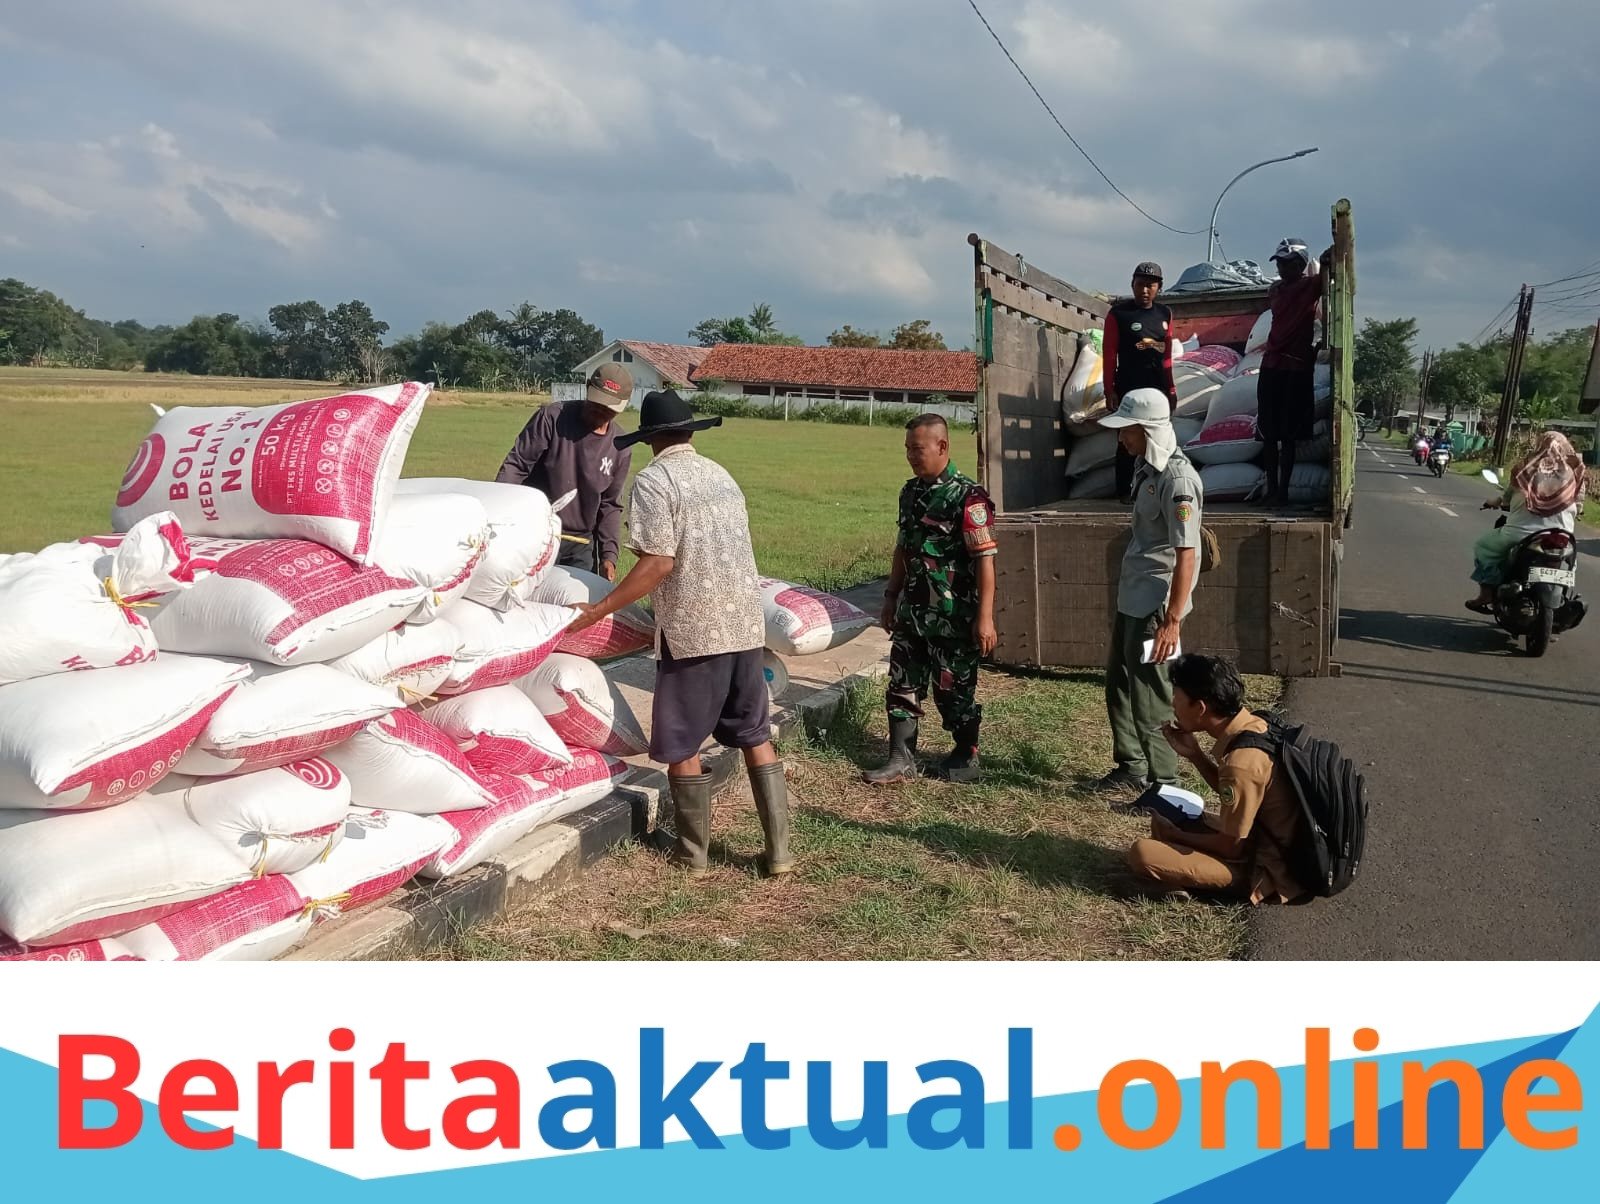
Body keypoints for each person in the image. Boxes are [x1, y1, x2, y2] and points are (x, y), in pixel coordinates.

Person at [564, 389, 792, 877]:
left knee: (682, 743)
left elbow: (659, 563)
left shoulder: (655, 480)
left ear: (650, 438)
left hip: (694, 632)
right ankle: (779, 853)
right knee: (754, 732)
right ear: (689, 431)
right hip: (744, 624)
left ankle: (693, 856)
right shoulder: (720, 474)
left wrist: (600, 610)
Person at [865, 414, 998, 786]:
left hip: (953, 617)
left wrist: (985, 617)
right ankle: (900, 759)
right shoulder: (910, 493)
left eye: (917, 448)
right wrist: (890, 597)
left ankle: (966, 754)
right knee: (901, 683)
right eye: (907, 448)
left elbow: (985, 561)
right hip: (913, 612)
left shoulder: (969, 497)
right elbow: (903, 549)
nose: (911, 456)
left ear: (942, 446)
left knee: (953, 691)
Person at [1125, 654, 1308, 903]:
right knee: (1172, 823)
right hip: (1265, 841)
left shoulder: (1241, 763)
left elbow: (1231, 847)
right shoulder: (1256, 725)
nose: (1172, 704)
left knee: (1143, 853)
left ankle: (1186, 881)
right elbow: (1236, 794)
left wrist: (1175, 836)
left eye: (1177, 698)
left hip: (1265, 868)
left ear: (1200, 708)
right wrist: (1195, 755)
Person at [1094, 388, 1204, 796]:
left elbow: (1186, 553)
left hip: (1156, 608)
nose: (1121, 437)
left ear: (1149, 429)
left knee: (1152, 693)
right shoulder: (1146, 469)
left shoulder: (1178, 481)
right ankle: (1131, 766)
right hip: (1133, 598)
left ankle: (1165, 783)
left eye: (1128, 429)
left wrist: (1172, 621)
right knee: (1120, 685)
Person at [495, 364, 634, 579]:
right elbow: (517, 465)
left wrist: (609, 556)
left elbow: (610, 504)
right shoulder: (552, 418)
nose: (600, 411)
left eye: (609, 408)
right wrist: (497, 514)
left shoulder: (620, 447)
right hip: (537, 533)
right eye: (597, 403)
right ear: (587, 388)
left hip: (580, 545)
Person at [1466, 431, 1587, 613]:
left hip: (1521, 533)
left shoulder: (1524, 469)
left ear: (1539, 445)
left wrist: (1497, 501)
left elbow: (1507, 498)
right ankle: (1562, 598)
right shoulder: (1573, 474)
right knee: (1571, 564)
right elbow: (1578, 502)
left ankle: (1486, 593)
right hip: (1562, 536)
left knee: (1483, 547)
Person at [1103, 262, 1179, 503]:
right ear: (1132, 285)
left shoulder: (1164, 314)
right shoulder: (1118, 314)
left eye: (1150, 285)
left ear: (1159, 288)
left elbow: (1167, 357)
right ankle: (1125, 490)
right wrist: (1109, 389)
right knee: (1128, 436)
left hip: (1157, 386)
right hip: (1128, 385)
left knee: (1157, 436)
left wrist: (1171, 389)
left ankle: (1158, 486)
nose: (1145, 290)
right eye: (1140, 284)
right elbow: (1109, 354)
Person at [1257, 238, 1324, 506]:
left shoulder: (1311, 286)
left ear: (1301, 265)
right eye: (1280, 264)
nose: (1282, 269)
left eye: (1288, 264)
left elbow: (1329, 266)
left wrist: (1329, 257)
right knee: (1268, 435)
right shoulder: (1276, 291)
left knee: (1288, 437)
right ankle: (1271, 490)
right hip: (1271, 366)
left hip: (1296, 369)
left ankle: (1282, 493)